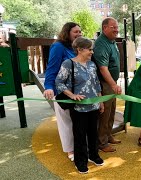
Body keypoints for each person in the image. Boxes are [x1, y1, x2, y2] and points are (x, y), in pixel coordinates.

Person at [55, 37, 104, 174]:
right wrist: (72, 96)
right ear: (80, 49)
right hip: (78, 108)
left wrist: (101, 101)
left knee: (93, 132)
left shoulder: (92, 65)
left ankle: (94, 155)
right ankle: (80, 161)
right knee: (80, 135)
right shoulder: (68, 64)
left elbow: (96, 84)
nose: (91, 52)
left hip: (93, 106)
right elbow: (59, 82)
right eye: (89, 49)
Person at [43, 22, 82, 161]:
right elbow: (51, 69)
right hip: (63, 91)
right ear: (67, 32)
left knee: (78, 120)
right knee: (66, 121)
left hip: (78, 91)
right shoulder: (58, 47)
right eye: (75, 32)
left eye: (80, 31)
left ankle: (81, 146)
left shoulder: (78, 47)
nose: (79, 34)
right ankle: (70, 150)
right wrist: (48, 86)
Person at [93, 17, 122, 153]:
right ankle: (102, 143)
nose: (116, 30)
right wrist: (113, 85)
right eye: (113, 27)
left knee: (111, 111)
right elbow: (103, 68)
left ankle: (108, 135)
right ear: (104, 28)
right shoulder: (101, 44)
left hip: (111, 83)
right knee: (104, 114)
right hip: (105, 84)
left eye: (117, 27)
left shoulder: (112, 41)